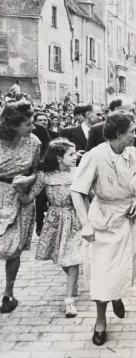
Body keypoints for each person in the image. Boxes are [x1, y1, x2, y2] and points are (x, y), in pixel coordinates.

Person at [70, 110, 136, 346]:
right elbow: (76, 190)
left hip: (127, 220)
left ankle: (117, 295)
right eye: (132, 132)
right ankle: (100, 322)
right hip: (102, 221)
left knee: (125, 266)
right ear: (119, 133)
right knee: (102, 273)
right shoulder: (95, 155)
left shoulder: (132, 153)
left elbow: (134, 183)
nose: (135, 135)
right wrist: (86, 224)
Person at [18, 138, 82, 318]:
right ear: (59, 158)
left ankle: (69, 301)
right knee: (63, 259)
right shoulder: (45, 176)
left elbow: (89, 195)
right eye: (71, 154)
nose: (75, 156)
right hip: (55, 219)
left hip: (75, 218)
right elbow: (29, 198)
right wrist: (19, 189)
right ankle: (73, 281)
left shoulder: (78, 172)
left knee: (73, 259)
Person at [0, 100, 40, 314]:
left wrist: (27, 180)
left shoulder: (34, 142)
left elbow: (36, 171)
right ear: (13, 125)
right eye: (28, 124)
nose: (32, 127)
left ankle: (8, 292)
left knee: (13, 248)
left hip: (21, 199)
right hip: (0, 195)